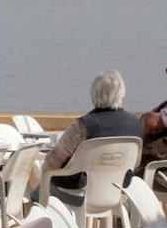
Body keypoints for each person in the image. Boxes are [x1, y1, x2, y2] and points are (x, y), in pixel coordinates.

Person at [35, 70, 142, 206]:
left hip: (81, 195)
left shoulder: (83, 126)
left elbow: (51, 164)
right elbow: (136, 164)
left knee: (37, 192)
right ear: (122, 95)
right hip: (119, 193)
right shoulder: (136, 125)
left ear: (93, 95)